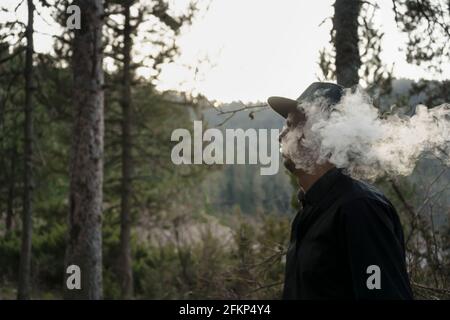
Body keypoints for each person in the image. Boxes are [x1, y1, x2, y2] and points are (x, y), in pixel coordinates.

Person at [267, 82, 413, 299]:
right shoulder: (308, 212)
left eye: (290, 125)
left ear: (318, 134)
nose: (281, 135)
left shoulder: (360, 209)